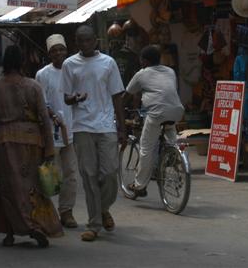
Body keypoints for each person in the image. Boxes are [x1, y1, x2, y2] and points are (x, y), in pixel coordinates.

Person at [0, 45, 63, 248]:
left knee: (8, 189)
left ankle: (9, 233)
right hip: (32, 143)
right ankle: (34, 225)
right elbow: (44, 118)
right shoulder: (32, 86)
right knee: (32, 188)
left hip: (4, 142)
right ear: (22, 62)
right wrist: (49, 148)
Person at [59, 25, 126, 242]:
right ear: (76, 42)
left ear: (95, 41)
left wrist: (122, 127)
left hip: (106, 125)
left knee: (109, 173)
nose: (84, 44)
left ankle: (103, 208)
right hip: (82, 127)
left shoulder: (108, 63)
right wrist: (74, 98)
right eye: (80, 41)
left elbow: (117, 95)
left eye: (88, 40)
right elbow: (66, 98)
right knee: (89, 176)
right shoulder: (69, 64)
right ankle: (95, 224)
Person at [124, 45, 185, 197]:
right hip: (176, 111)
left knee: (146, 148)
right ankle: (175, 159)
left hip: (156, 114)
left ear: (144, 61)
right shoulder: (170, 71)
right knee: (171, 134)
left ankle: (139, 185)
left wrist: (119, 111)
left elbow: (127, 95)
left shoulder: (142, 74)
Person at [35, 34, 78, 229]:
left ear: (66, 50)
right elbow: (41, 103)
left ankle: (66, 211)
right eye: (54, 50)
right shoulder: (43, 74)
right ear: (49, 53)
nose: (58, 53)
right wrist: (52, 116)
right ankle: (47, 213)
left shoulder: (75, 70)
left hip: (73, 131)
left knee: (71, 174)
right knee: (51, 175)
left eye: (61, 49)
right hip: (52, 133)